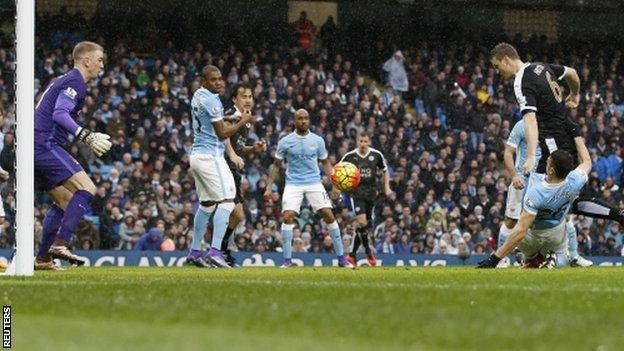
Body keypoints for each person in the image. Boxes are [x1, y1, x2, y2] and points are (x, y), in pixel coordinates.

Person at [489, 42, 624, 226]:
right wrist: (575, 94)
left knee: (554, 197)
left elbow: (530, 120)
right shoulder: (541, 66)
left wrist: (529, 157)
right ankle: (616, 215)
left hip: (554, 141)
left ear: (506, 59)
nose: (497, 71)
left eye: (497, 66)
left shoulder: (521, 81)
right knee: (555, 197)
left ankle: (616, 215)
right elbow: (573, 74)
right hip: (564, 133)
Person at [34, 41, 112, 270]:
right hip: (43, 144)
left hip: (36, 145)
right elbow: (59, 113)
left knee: (65, 200)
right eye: (99, 60)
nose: (102, 65)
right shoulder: (75, 81)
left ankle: (42, 259)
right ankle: (60, 244)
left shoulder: (64, 79)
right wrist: (85, 135)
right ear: (86, 60)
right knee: (87, 188)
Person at [477, 136, 591, 268]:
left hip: (534, 234)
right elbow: (587, 161)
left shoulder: (537, 192)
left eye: (548, 162)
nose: (546, 161)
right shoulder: (575, 180)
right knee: (563, 253)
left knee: (524, 244)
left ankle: (532, 258)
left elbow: (521, 230)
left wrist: (495, 258)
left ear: (551, 170)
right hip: (556, 232)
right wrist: (576, 135)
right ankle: (557, 257)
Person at [264, 109, 353, 268]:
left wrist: (335, 185)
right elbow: (276, 165)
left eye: (306, 118)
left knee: (328, 215)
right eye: (300, 119)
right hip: (293, 183)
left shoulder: (317, 140)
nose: (303, 121)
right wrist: (269, 187)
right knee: (288, 216)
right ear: (295, 121)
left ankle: (341, 259)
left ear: (309, 120)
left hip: (314, 182)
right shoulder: (285, 141)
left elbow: (325, 163)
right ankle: (287, 261)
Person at [185, 65, 254, 268]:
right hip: (211, 156)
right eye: (214, 80)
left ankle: (194, 252)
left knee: (207, 205)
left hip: (196, 156)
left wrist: (228, 118)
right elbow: (223, 134)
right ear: (204, 81)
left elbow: (210, 120)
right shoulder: (212, 100)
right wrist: (243, 121)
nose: (220, 82)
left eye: (220, 78)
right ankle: (215, 252)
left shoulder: (198, 95)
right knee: (227, 201)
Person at [221, 82, 267, 266]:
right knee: (226, 210)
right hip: (223, 164)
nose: (248, 100)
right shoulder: (232, 114)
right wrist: (232, 155)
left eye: (250, 96)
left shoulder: (244, 118)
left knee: (238, 215)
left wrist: (253, 149)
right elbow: (223, 133)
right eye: (244, 96)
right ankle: (218, 250)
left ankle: (221, 249)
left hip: (232, 167)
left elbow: (239, 147)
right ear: (234, 99)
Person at [340, 131, 392, 267]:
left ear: (369, 142)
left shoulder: (376, 155)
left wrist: (387, 187)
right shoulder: (350, 156)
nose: (363, 144)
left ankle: (352, 255)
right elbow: (338, 171)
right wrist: (337, 188)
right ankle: (368, 251)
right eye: (360, 141)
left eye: (365, 141)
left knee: (366, 226)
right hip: (356, 193)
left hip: (371, 193)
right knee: (362, 223)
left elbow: (385, 171)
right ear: (357, 142)